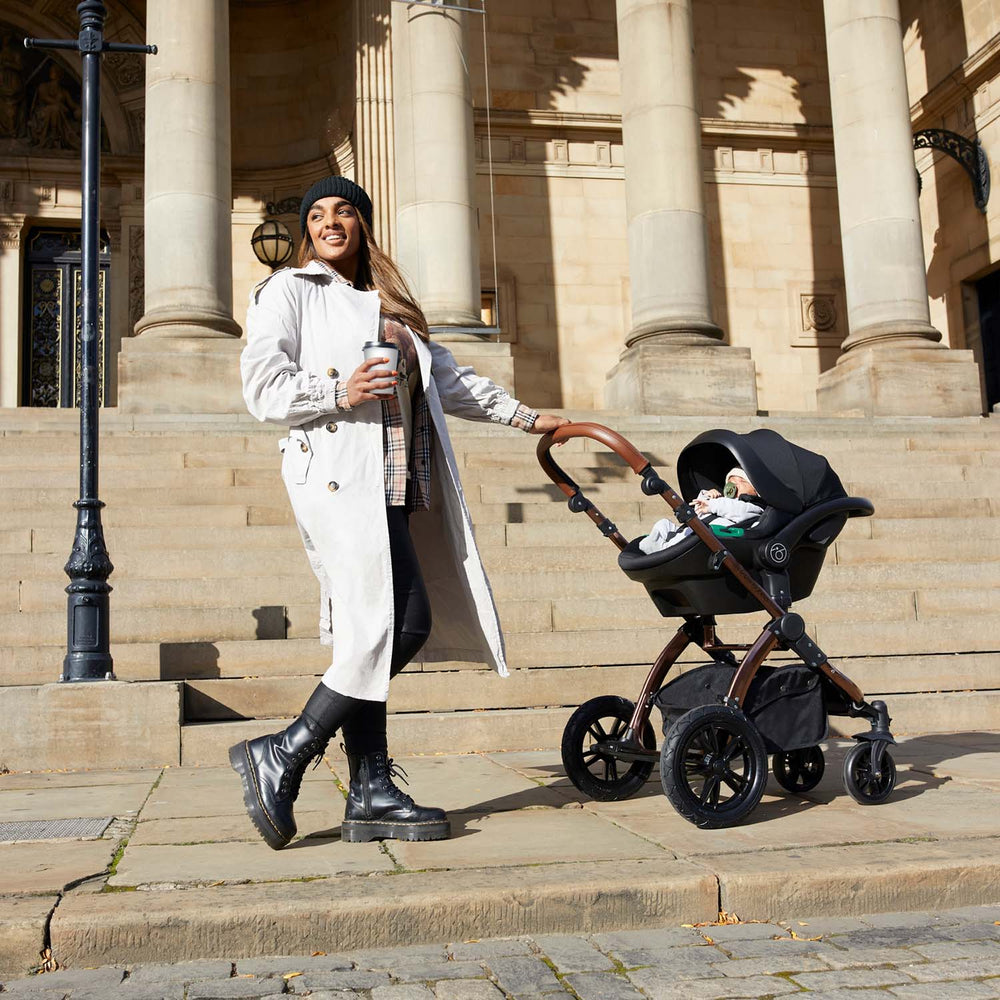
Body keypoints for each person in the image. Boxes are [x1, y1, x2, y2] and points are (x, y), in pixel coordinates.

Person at [233, 175, 569, 850]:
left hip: (392, 488)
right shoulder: (289, 291)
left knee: (374, 629)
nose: (331, 222)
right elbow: (263, 387)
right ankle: (288, 750)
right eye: (318, 214)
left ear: (362, 225)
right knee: (402, 623)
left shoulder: (386, 305)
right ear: (308, 230)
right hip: (337, 481)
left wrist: (529, 417)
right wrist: (338, 387)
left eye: (344, 211)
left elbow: (453, 381)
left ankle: (370, 790)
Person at [639, 467, 764, 554]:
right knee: (664, 524)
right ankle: (656, 541)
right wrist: (706, 497)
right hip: (693, 528)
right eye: (731, 482)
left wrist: (713, 504)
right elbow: (698, 512)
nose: (735, 485)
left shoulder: (753, 507)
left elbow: (736, 509)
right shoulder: (720, 500)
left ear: (756, 490)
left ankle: (663, 548)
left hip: (708, 536)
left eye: (742, 481)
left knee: (685, 537)